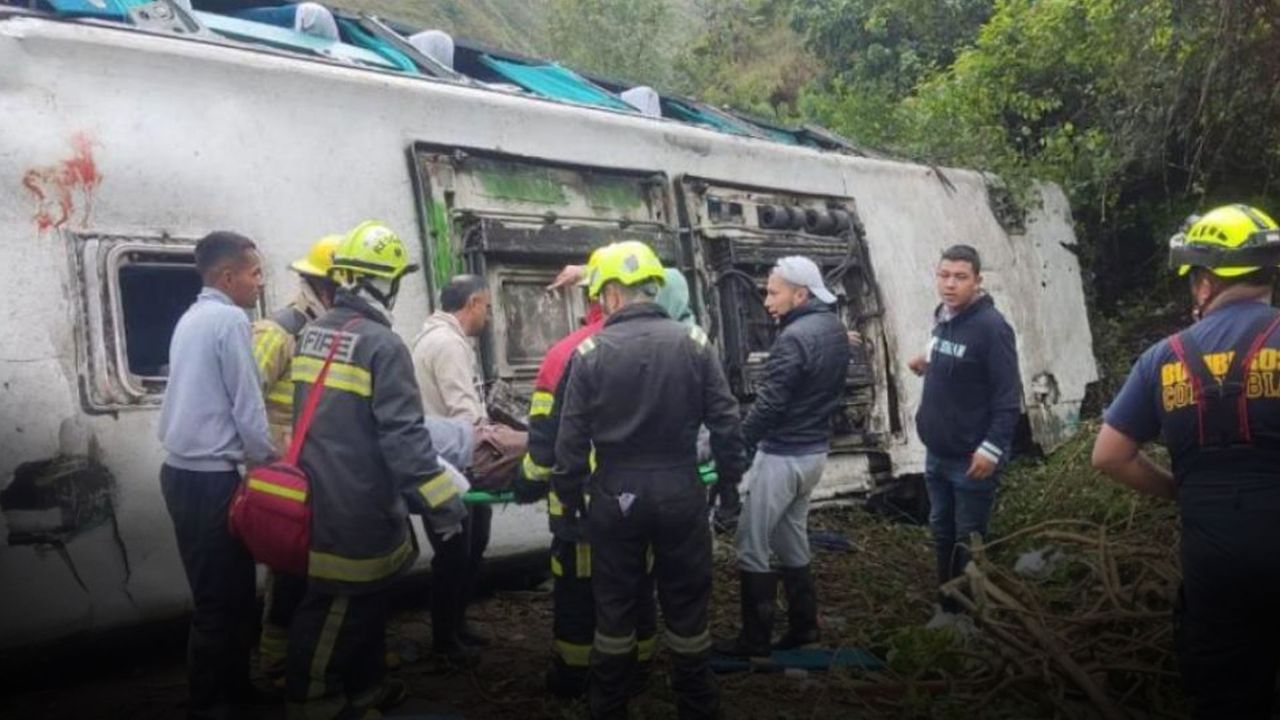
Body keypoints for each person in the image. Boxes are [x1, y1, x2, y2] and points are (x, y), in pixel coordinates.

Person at [1091, 204, 1280, 719]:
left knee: (1228, 700)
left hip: (1214, 568)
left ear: (1204, 284)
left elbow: (1108, 455)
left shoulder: (1162, 359)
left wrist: (1179, 488)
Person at [555, 240, 748, 720]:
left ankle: (609, 705)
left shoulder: (590, 351)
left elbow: (570, 440)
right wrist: (728, 488)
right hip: (681, 489)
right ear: (653, 289)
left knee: (615, 606)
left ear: (614, 295)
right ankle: (697, 704)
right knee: (686, 605)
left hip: (615, 494)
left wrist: (569, 496)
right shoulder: (695, 343)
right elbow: (726, 424)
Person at [285, 220, 467, 720]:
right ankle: (313, 702)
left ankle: (364, 692)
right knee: (337, 608)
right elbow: (404, 439)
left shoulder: (315, 333)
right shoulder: (382, 346)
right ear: (387, 282)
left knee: (360, 605)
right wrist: (444, 504)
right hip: (359, 503)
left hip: (320, 493)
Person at [514, 248, 660, 699]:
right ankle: (639, 671)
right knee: (638, 585)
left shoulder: (565, 354)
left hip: (583, 504)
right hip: (647, 499)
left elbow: (546, 442)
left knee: (580, 593)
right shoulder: (668, 343)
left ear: (596, 296)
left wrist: (527, 481)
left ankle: (574, 678)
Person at [156, 230, 276, 720]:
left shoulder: (192, 316)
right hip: (210, 478)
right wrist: (268, 463)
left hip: (182, 473)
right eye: (254, 273)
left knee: (226, 591)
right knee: (221, 597)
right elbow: (247, 405)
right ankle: (211, 701)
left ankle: (233, 688)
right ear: (227, 277)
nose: (258, 282)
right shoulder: (229, 318)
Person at [715, 256, 850, 658]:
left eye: (774, 292)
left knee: (751, 542)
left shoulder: (793, 340)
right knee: (791, 536)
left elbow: (770, 405)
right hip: (814, 455)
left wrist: (738, 446)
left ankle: (754, 641)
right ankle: (805, 627)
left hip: (783, 456)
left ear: (800, 293)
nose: (767, 300)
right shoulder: (834, 329)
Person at [908, 244, 1020, 624]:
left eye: (960, 277)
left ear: (978, 281)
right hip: (937, 452)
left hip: (971, 457)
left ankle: (970, 617)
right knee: (941, 530)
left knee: (967, 537)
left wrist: (991, 449)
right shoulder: (944, 317)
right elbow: (954, 354)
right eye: (944, 275)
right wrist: (925, 360)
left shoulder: (992, 328)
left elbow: (1008, 398)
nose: (950, 284)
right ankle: (946, 604)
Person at [411, 274, 519, 659]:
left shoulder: (434, 338)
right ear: (472, 303)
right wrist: (500, 442)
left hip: (444, 460)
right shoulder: (448, 344)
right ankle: (446, 640)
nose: (487, 317)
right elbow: (464, 412)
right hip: (455, 466)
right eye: (487, 307)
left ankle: (456, 628)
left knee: (467, 550)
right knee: (457, 553)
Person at [251, 234, 341, 684]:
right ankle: (275, 662)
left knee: (314, 569)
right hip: (285, 473)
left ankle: (306, 656)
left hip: (319, 469)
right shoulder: (279, 330)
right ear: (326, 286)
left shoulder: (330, 328)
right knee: (288, 570)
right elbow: (246, 402)